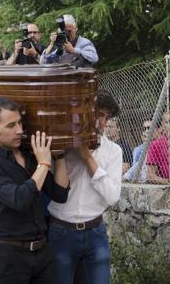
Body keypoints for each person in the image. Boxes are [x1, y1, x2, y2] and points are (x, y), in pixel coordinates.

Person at [0, 97, 70, 283]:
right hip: (8, 257)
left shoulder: (29, 156)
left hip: (42, 252)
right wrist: (44, 163)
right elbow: (20, 199)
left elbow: (60, 194)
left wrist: (59, 157)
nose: (20, 130)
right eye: (11, 125)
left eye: (20, 123)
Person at [47, 89, 122, 284]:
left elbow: (113, 197)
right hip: (60, 228)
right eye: (98, 115)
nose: (103, 122)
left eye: (107, 117)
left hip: (95, 230)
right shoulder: (62, 143)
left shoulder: (113, 151)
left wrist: (88, 159)